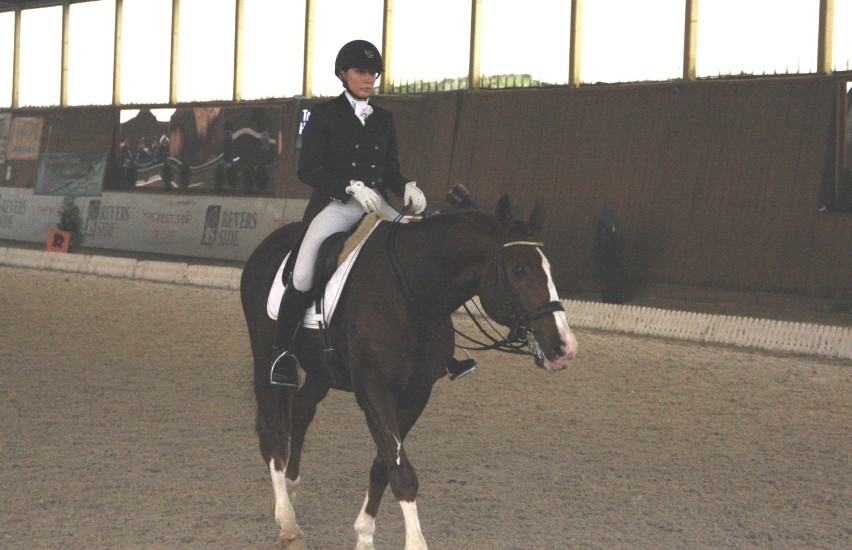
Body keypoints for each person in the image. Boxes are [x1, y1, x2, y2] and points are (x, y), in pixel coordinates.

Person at [269, 39, 428, 387]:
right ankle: (283, 354)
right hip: (335, 206)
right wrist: (347, 186)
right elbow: (307, 170)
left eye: (373, 72)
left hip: (378, 206)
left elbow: (390, 171)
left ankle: (434, 350)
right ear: (343, 73)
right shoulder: (324, 115)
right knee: (303, 273)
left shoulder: (384, 119)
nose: (368, 78)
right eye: (360, 71)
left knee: (416, 252)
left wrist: (406, 190)